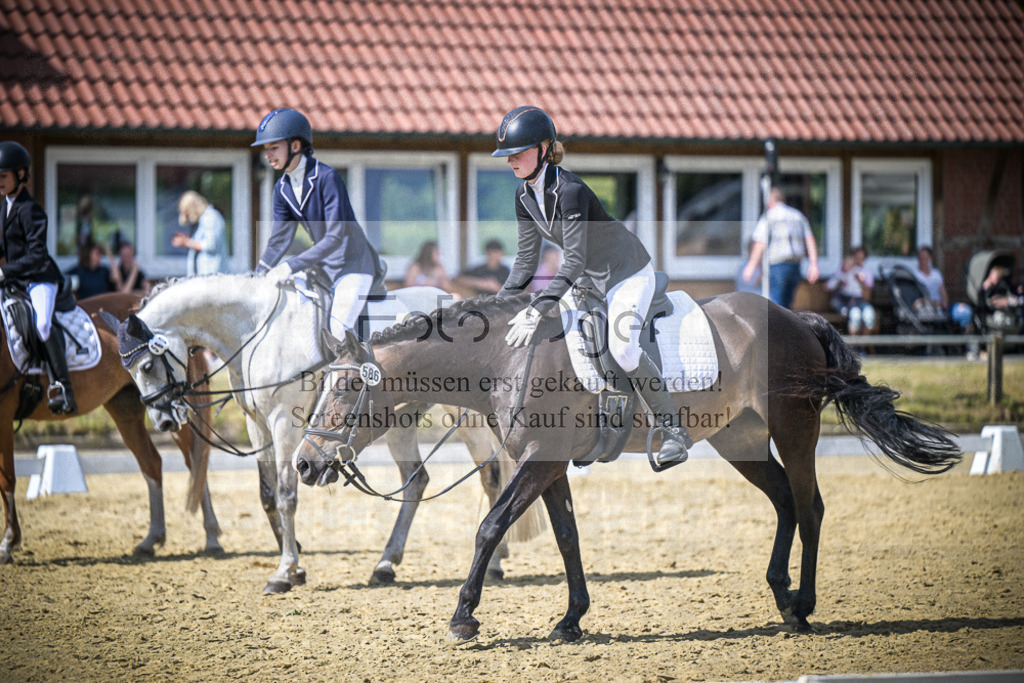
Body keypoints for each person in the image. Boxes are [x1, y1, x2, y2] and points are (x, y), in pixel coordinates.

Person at [491, 105, 690, 468]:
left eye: (517, 153)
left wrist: (535, 307)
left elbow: (574, 259)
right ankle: (589, 434)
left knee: (623, 347)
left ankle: (674, 430)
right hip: (588, 279)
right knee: (564, 343)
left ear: (543, 149)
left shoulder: (570, 190)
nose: (511, 161)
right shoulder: (523, 196)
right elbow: (524, 262)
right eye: (507, 156)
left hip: (625, 273)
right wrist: (497, 307)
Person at [252, 108, 385, 338]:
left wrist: (290, 266)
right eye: (266, 149)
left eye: (274, 147)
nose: (268, 155)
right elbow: (279, 240)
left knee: (337, 329)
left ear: (295, 146)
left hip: (353, 265)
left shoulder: (327, 177)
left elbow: (335, 238)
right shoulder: (281, 189)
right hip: (323, 267)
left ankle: (361, 371)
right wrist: (257, 274)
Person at [0, 141, 76, 414]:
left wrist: (4, 271)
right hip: (19, 279)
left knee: (42, 324)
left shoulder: (31, 209)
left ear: (20, 174)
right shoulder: (6, 205)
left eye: (3, 176)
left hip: (40, 279)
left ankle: (64, 388)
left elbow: (36, 255)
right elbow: (5, 245)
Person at [741, 187, 819, 308]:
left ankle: (778, 327)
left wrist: (751, 265)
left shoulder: (769, 216)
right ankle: (785, 326)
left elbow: (760, 242)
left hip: (777, 265)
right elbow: (809, 238)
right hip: (795, 266)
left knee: (776, 304)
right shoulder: (797, 215)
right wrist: (813, 264)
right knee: (787, 304)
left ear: (769, 201)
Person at [174, 190, 229, 276]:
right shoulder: (202, 219)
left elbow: (211, 245)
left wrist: (187, 242)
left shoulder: (210, 217)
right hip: (204, 277)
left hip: (213, 277)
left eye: (187, 213)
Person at [825, 247, 877, 336]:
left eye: (861, 258)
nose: (857, 261)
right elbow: (828, 286)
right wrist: (839, 283)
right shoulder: (842, 272)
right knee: (856, 316)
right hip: (848, 302)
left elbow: (867, 297)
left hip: (860, 301)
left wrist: (861, 282)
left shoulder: (863, 274)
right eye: (856, 258)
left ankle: (862, 347)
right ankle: (855, 347)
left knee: (869, 316)